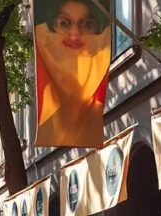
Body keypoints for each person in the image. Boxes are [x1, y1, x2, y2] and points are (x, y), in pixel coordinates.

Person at [33, 0, 110, 147]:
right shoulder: (48, 117)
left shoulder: (96, 107)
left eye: (87, 24)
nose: (75, 34)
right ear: (52, 28)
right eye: (64, 23)